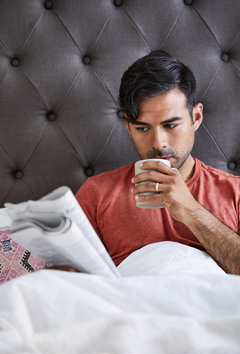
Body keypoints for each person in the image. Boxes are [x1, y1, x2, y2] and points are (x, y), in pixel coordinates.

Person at [75, 50, 240, 275]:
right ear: (128, 127)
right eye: (142, 128)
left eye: (170, 125)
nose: (158, 142)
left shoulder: (235, 193)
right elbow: (71, 285)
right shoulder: (96, 195)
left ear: (196, 118)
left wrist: (190, 210)